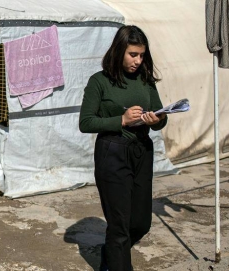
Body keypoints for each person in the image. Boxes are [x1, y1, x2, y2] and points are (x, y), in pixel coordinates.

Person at [79, 25, 167, 271]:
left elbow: (162, 118)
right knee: (119, 226)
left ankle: (110, 253)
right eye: (133, 55)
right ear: (119, 52)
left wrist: (157, 119)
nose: (138, 61)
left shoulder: (146, 81)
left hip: (142, 151)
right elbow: (85, 122)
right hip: (112, 153)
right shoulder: (100, 81)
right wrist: (122, 120)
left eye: (142, 55)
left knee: (140, 223)